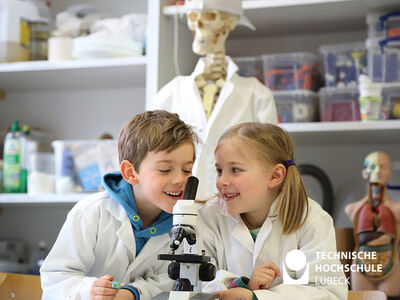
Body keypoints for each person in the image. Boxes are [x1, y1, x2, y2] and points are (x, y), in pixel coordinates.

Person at [40, 110, 197, 300]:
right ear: (130, 173)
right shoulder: (91, 213)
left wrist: (133, 293)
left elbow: (173, 280)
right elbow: (55, 280)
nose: (180, 179)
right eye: (165, 170)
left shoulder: (185, 225)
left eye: (187, 169)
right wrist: (89, 290)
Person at [198, 122, 347, 300]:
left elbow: (329, 293)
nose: (222, 181)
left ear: (275, 176)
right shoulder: (208, 218)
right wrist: (243, 284)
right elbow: (197, 285)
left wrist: (256, 297)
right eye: (219, 170)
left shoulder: (312, 219)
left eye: (235, 170)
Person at [150, 0, 277, 201]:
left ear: (229, 22)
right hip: (177, 206)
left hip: (234, 208)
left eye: (209, 17)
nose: (198, 25)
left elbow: (271, 159)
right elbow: (150, 155)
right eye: (193, 17)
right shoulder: (171, 92)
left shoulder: (256, 94)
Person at [345, 151, 400, 297]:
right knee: (361, 297)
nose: (378, 172)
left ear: (390, 173)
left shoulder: (396, 209)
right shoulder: (353, 209)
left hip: (390, 264)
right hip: (362, 264)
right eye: (373, 167)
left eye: (383, 167)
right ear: (365, 173)